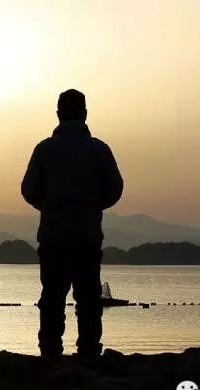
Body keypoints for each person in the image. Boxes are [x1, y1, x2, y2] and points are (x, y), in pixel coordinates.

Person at [21, 89, 124, 358]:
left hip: (53, 235)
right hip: (87, 235)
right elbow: (115, 188)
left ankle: (50, 352)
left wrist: (48, 206)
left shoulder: (44, 149)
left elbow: (28, 189)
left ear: (58, 114)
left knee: (52, 297)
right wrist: (93, 206)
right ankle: (88, 353)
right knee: (88, 297)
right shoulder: (99, 150)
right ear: (85, 114)